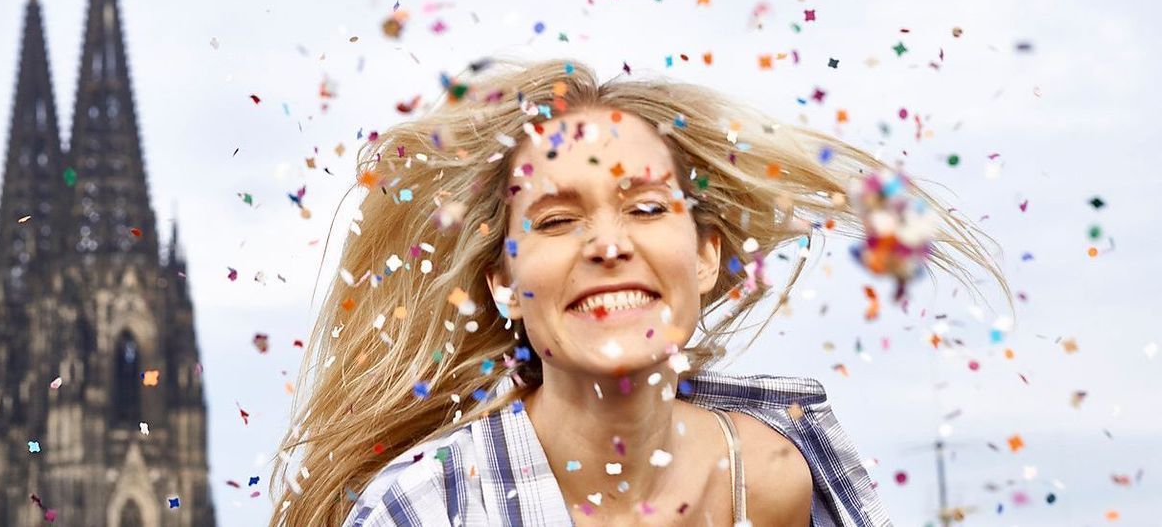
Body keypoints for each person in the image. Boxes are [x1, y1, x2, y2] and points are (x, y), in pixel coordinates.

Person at [268, 58, 1009, 526]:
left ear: (709, 254)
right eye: (557, 218)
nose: (608, 242)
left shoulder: (780, 477)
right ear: (503, 281)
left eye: (648, 207)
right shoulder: (426, 509)